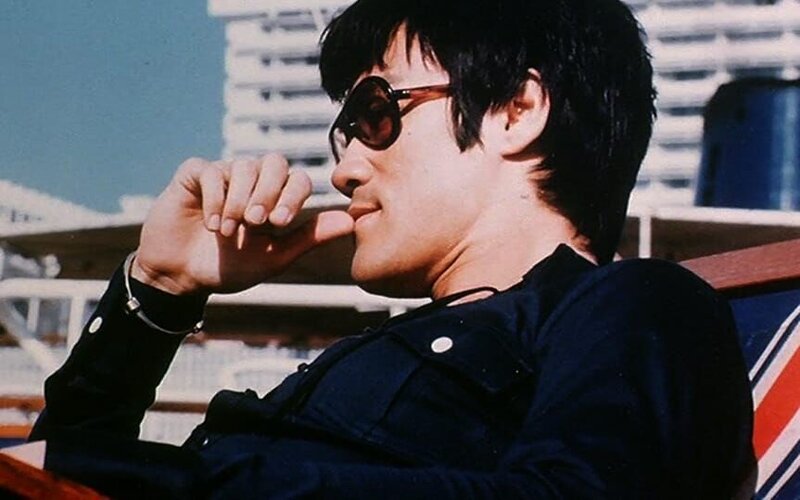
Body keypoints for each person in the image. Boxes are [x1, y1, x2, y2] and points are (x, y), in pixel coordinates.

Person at [8, 0, 755, 497]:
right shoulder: (391, 344)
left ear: (514, 111)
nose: (344, 168)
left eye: (375, 114)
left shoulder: (638, 303)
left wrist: (165, 482)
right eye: (345, 132)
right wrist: (159, 290)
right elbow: (52, 479)